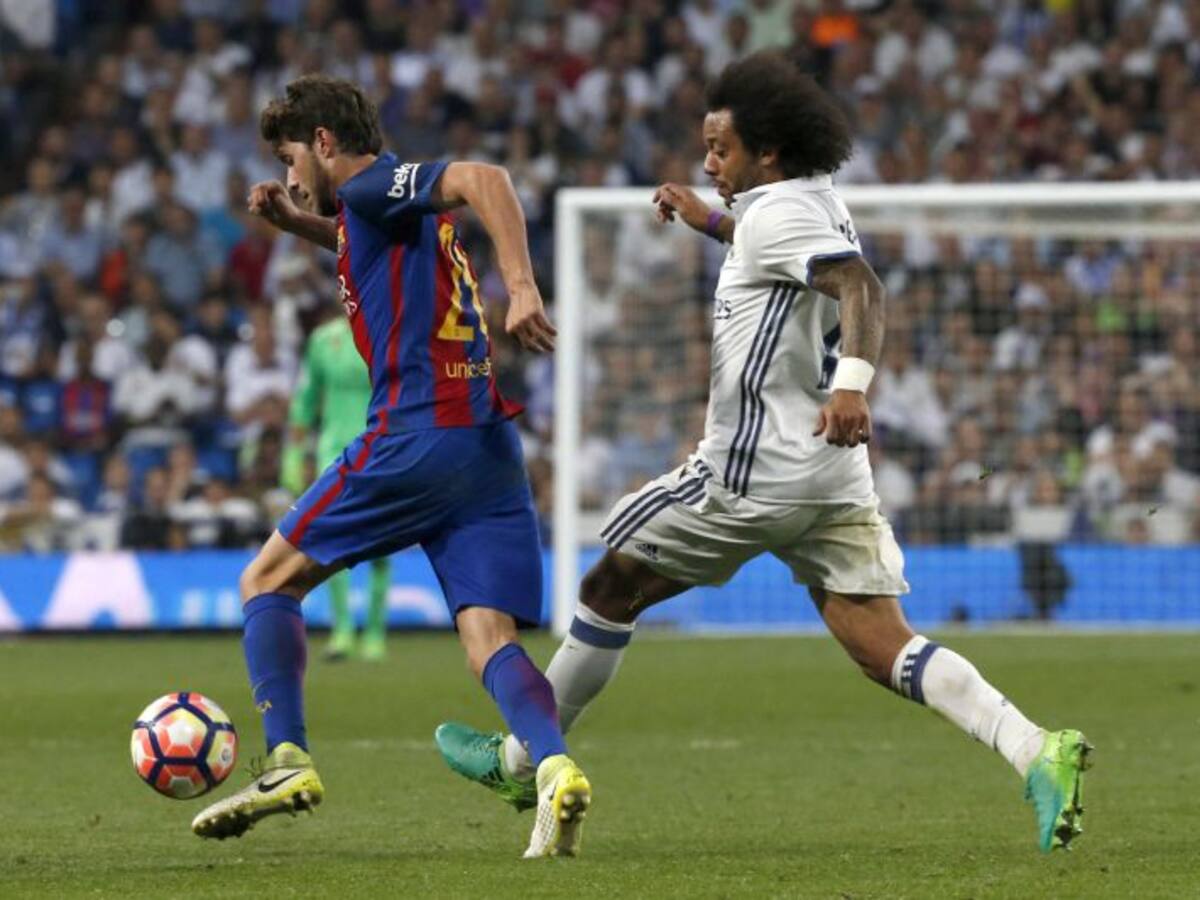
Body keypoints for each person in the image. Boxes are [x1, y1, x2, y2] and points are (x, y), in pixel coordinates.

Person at [435, 52, 1090, 854]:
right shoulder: (813, 202)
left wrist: (852, 386)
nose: (709, 164)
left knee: (607, 588)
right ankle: (1035, 748)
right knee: (883, 647)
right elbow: (772, 248)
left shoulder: (780, 215)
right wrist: (708, 221)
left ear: (769, 153)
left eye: (721, 150)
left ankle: (519, 759)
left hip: (753, 473)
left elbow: (862, 287)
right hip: (829, 476)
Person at [190, 75, 590, 860]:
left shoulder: (375, 183)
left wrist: (522, 286)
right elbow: (364, 244)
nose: (289, 174)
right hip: (486, 445)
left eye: (290, 158)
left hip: (415, 434)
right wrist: (297, 222)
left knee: (266, 582)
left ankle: (287, 760)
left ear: (325, 142)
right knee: (487, 637)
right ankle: (554, 766)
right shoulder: (382, 209)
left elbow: (486, 178)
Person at [281, 303, 391, 662]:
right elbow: (306, 398)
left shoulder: (391, 335)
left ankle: (375, 632)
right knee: (334, 541)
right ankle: (342, 629)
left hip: (382, 447)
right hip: (335, 451)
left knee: (382, 544)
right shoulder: (323, 340)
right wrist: (294, 453)